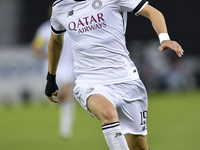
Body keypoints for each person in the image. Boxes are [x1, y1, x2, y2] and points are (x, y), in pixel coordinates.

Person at [45, 0, 184, 149]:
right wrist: (50, 77)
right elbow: (56, 41)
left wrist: (164, 39)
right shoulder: (60, 6)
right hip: (90, 81)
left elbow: (152, 12)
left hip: (127, 80)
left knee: (138, 147)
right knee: (107, 113)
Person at [32, 7, 76, 139]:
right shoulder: (45, 29)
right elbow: (35, 48)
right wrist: (47, 56)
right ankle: (64, 112)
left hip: (69, 66)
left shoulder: (71, 25)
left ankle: (65, 129)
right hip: (53, 67)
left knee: (66, 95)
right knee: (60, 96)